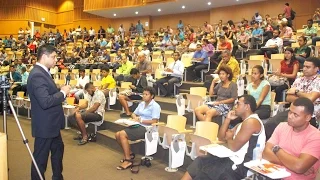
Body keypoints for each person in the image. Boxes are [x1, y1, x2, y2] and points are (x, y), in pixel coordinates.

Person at [181, 95, 266, 180]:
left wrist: (229, 138)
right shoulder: (243, 123)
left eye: (238, 104)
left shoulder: (251, 122)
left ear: (247, 106)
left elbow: (234, 147)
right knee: (200, 161)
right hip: (233, 158)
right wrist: (227, 119)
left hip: (243, 166)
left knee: (208, 171)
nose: (235, 106)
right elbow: (221, 138)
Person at [27, 44, 71, 180]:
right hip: (45, 126)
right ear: (44, 56)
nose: (55, 60)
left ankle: (57, 177)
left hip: (52, 125)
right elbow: (45, 101)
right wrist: (63, 92)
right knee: (40, 160)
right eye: (53, 57)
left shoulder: (43, 72)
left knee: (58, 152)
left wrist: (58, 90)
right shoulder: (37, 75)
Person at [263, 97, 320, 180]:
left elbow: (299, 167)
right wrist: (292, 164)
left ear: (308, 118)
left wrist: (277, 150)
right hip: (273, 174)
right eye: (290, 112)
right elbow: (266, 153)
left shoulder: (315, 137)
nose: (290, 116)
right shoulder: (282, 126)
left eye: (295, 115)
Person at [265, 57, 320, 140]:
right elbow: (288, 97)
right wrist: (305, 97)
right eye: (304, 66)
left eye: (308, 67)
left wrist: (296, 92)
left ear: (316, 69)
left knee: (287, 128)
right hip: (292, 111)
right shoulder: (299, 80)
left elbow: (311, 99)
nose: (304, 69)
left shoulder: (318, 81)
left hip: (310, 115)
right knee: (270, 124)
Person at [115, 87, 160, 170]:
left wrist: (141, 119)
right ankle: (130, 154)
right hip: (138, 124)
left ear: (152, 96)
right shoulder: (142, 104)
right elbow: (133, 113)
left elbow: (154, 121)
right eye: (143, 94)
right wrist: (135, 117)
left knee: (122, 134)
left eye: (146, 94)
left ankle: (128, 160)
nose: (144, 96)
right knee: (117, 135)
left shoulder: (155, 106)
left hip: (148, 128)